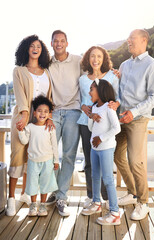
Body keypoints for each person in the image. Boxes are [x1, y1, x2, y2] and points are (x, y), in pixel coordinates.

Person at [115, 29, 154, 220]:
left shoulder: (153, 65)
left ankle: (143, 203)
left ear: (144, 40)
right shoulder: (124, 65)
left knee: (136, 160)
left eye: (132, 38)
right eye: (128, 38)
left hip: (138, 119)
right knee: (116, 155)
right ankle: (133, 192)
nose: (128, 41)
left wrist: (133, 113)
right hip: (120, 118)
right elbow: (119, 91)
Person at [6, 35, 53, 216]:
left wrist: (48, 116)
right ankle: (11, 199)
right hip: (22, 117)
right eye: (32, 46)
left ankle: (26, 194)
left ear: (42, 51)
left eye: (39, 46)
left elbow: (49, 98)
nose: (35, 48)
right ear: (26, 49)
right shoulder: (19, 70)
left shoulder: (47, 71)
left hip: (40, 120)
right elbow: (19, 94)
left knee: (33, 157)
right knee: (17, 155)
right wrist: (25, 114)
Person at [77, 46, 120, 208]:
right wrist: (83, 107)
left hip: (105, 125)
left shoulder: (112, 76)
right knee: (89, 161)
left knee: (106, 161)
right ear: (88, 59)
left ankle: (107, 198)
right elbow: (80, 99)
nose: (95, 60)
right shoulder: (82, 79)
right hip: (86, 123)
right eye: (92, 56)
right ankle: (93, 197)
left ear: (104, 59)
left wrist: (115, 104)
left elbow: (118, 97)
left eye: (99, 57)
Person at [46, 30, 83, 217]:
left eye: (62, 41)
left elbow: (94, 73)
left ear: (67, 43)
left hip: (73, 112)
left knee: (68, 156)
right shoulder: (47, 63)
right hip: (53, 113)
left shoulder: (78, 60)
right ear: (51, 44)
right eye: (55, 41)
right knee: (49, 155)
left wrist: (113, 72)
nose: (59, 44)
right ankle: (55, 189)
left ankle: (61, 196)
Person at [81, 79, 121, 226]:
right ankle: (96, 202)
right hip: (95, 149)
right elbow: (91, 129)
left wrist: (101, 138)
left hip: (106, 148)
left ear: (101, 90)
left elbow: (117, 128)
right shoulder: (94, 107)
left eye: (92, 89)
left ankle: (115, 213)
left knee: (108, 179)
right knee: (95, 176)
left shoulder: (108, 108)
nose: (89, 92)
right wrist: (91, 117)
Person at [17, 95, 59, 216]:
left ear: (49, 114)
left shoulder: (50, 128)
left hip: (47, 160)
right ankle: (33, 204)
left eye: (46, 111)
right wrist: (20, 131)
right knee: (33, 183)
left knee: (45, 184)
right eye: (39, 111)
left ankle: (43, 205)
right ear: (34, 113)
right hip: (33, 161)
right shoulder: (30, 127)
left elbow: (54, 145)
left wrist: (56, 160)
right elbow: (24, 141)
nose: (42, 114)